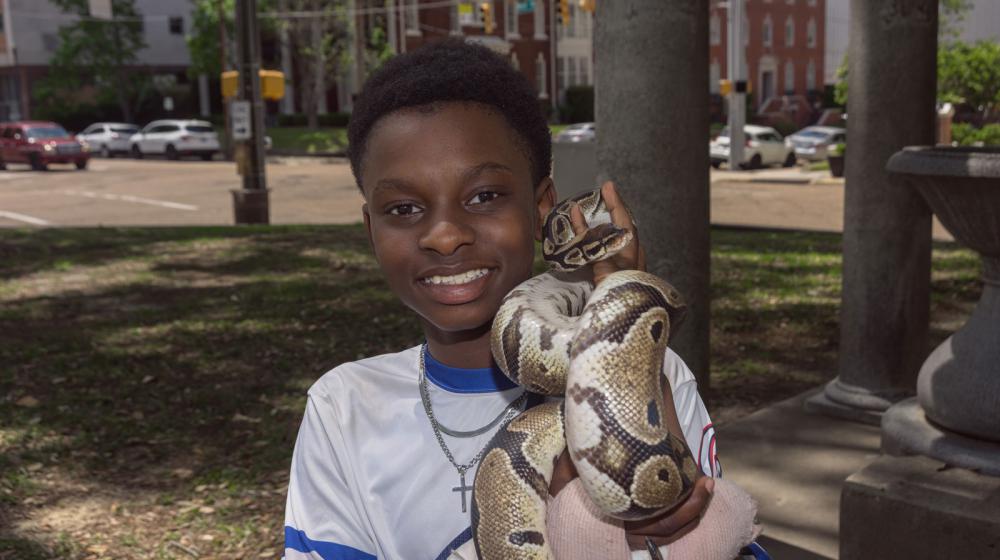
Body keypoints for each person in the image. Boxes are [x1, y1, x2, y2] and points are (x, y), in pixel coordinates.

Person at [283, 39, 759, 560]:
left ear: (542, 210)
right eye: (402, 208)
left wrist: (624, 336)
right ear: (370, 229)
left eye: (484, 196)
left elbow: (712, 538)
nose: (444, 236)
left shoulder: (658, 371)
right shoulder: (344, 407)